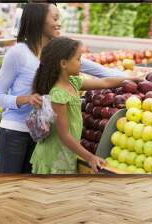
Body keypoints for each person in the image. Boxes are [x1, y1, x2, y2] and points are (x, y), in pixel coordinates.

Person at [0, 3, 128, 174]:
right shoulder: (18, 53)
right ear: (39, 21)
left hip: (44, 136)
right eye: (55, 18)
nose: (59, 23)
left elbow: (101, 73)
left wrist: (132, 78)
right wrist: (25, 99)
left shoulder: (57, 53)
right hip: (16, 132)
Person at [31, 37, 139, 174]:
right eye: (78, 59)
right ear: (63, 63)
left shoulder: (73, 82)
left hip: (66, 154)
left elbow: (104, 82)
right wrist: (89, 157)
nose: (81, 63)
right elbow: (64, 135)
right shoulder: (58, 94)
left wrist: (131, 79)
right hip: (55, 158)